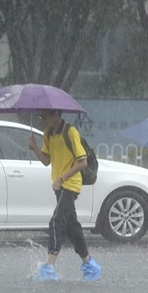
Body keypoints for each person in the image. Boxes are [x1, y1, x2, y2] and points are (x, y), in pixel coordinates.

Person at [27, 109, 101, 281]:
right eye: (40, 117)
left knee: (56, 221)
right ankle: (90, 264)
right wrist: (35, 147)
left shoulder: (70, 132)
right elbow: (46, 161)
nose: (42, 120)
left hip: (70, 185)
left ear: (55, 115)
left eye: (44, 117)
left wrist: (61, 178)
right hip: (59, 186)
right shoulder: (48, 133)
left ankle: (49, 267)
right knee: (72, 227)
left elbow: (82, 162)